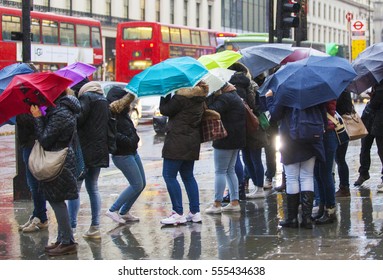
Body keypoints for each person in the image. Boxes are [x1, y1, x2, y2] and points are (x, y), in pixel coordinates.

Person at [30, 89, 80, 256]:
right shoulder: (60, 110)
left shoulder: (61, 113)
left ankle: (68, 242)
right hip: (61, 158)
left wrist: (38, 118)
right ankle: (62, 238)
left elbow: (45, 139)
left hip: (58, 160)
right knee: (56, 199)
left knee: (56, 200)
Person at [265, 90, 326, 229]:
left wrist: (269, 99)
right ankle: (307, 219)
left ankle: (292, 218)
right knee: (307, 176)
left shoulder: (285, 91)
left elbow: (275, 115)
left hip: (289, 138)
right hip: (311, 138)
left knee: (292, 178)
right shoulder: (315, 91)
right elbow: (322, 115)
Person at [159, 82, 208, 225]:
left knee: (169, 175)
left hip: (176, 141)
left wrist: (165, 93)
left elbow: (164, 110)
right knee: (188, 176)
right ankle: (195, 212)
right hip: (192, 141)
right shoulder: (200, 99)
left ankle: (178, 212)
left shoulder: (181, 98)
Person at [67, 81, 110, 239]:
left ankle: (71, 228)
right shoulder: (103, 100)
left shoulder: (86, 98)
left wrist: (72, 106)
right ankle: (95, 227)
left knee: (75, 189)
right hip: (99, 150)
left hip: (84, 150)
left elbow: (77, 120)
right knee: (93, 188)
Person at [104, 87, 145, 224]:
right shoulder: (111, 115)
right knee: (136, 184)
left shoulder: (124, 114)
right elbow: (114, 136)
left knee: (142, 184)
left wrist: (134, 138)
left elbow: (132, 130)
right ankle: (113, 209)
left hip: (132, 152)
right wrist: (130, 140)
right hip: (122, 155)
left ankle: (125, 211)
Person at [205, 82, 246, 214]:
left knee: (220, 171)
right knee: (230, 170)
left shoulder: (225, 98)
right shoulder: (234, 95)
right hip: (236, 138)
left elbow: (211, 110)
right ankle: (234, 201)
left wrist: (210, 96)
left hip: (225, 139)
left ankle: (217, 204)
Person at [16, 113, 49, 233]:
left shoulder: (34, 107)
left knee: (35, 184)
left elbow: (37, 124)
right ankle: (39, 216)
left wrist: (24, 116)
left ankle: (39, 218)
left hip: (32, 146)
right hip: (27, 145)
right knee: (33, 185)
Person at [313, 100, 339, 225]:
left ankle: (330, 210)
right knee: (318, 172)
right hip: (319, 134)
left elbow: (327, 111)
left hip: (327, 133)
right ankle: (322, 207)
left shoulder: (324, 93)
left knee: (325, 173)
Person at [354, 82, 383, 192]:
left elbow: (376, 102)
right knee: (365, 147)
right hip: (369, 118)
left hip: (379, 121)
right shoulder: (376, 82)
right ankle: (363, 173)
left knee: (381, 149)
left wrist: (373, 97)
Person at [334, 91, 354, 197]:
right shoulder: (345, 89)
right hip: (343, 128)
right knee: (340, 159)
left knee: (340, 159)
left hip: (339, 128)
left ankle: (344, 187)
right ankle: (344, 187)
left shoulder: (339, 91)